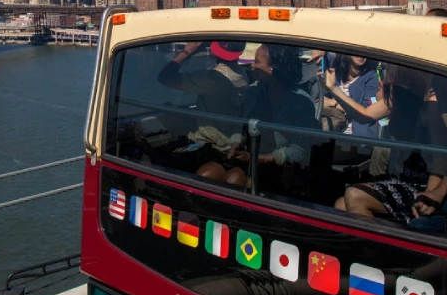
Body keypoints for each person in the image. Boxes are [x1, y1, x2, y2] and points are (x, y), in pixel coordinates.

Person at [327, 64, 447, 228]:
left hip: (420, 186)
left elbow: (441, 160)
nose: (385, 76)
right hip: (401, 180)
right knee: (341, 205)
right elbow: (365, 115)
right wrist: (332, 88)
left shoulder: (432, 105)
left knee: (355, 194)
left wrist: (427, 198)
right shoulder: (398, 97)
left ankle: (373, 250)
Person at [196, 44, 316, 186]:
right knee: (205, 175)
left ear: (273, 69)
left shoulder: (302, 103)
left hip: (277, 168)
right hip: (247, 159)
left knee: (235, 181)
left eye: (256, 61)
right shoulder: (252, 91)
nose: (251, 65)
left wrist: (256, 158)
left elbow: (298, 151)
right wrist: (235, 142)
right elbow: (239, 125)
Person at [157, 41, 248, 148]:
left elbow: (164, 78)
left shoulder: (211, 79)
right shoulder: (242, 73)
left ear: (215, 51)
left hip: (211, 144)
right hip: (232, 139)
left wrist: (186, 52)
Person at [321, 54, 380, 136]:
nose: (362, 55)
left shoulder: (371, 77)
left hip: (358, 138)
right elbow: (320, 100)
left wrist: (333, 103)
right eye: (357, 50)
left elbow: (366, 112)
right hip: (330, 135)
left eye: (365, 51)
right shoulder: (334, 74)